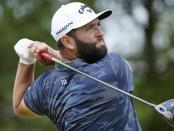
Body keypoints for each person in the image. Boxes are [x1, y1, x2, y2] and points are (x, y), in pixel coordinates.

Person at [13, 2, 142, 131]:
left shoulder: (47, 86)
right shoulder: (114, 67)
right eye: (90, 28)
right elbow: (128, 67)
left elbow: (19, 106)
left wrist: (26, 59)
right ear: (67, 41)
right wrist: (55, 56)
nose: (100, 32)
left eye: (98, 24)